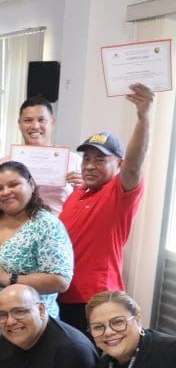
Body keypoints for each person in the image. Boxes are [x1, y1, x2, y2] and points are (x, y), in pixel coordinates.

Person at [57, 84, 153, 333]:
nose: (90, 165)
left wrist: (143, 117)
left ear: (119, 164)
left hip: (96, 298)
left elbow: (134, 164)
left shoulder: (119, 193)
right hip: (62, 293)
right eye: (87, 158)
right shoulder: (77, 193)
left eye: (100, 159)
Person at [0, 161, 73, 335]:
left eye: (13, 184)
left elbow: (60, 282)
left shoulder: (47, 225)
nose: (6, 192)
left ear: (31, 185)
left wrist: (8, 278)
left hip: (27, 333)